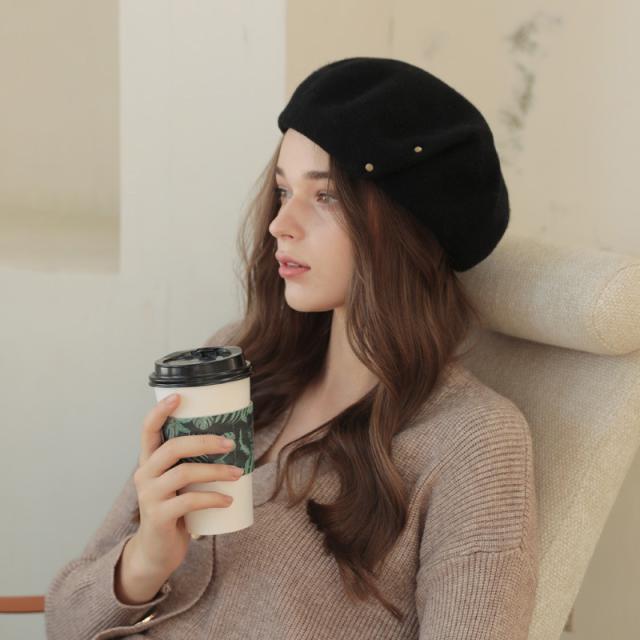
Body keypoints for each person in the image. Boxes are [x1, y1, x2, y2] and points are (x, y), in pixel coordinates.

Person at [45, 57, 539, 639]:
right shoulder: (235, 363)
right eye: (283, 190)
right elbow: (64, 622)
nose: (281, 223)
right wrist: (146, 559)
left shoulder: (473, 442)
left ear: (407, 225)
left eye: (325, 196)